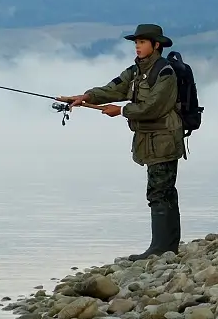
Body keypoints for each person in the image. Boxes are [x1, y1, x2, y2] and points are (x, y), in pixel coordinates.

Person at [59, 24, 186, 260]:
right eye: (135, 42)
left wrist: (120, 111)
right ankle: (165, 247)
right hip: (148, 139)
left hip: (165, 139)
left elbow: (153, 106)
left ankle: (162, 249)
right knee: (160, 192)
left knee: (161, 191)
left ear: (155, 45)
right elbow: (113, 88)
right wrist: (85, 97)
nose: (137, 46)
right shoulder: (136, 71)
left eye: (142, 42)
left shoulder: (165, 73)